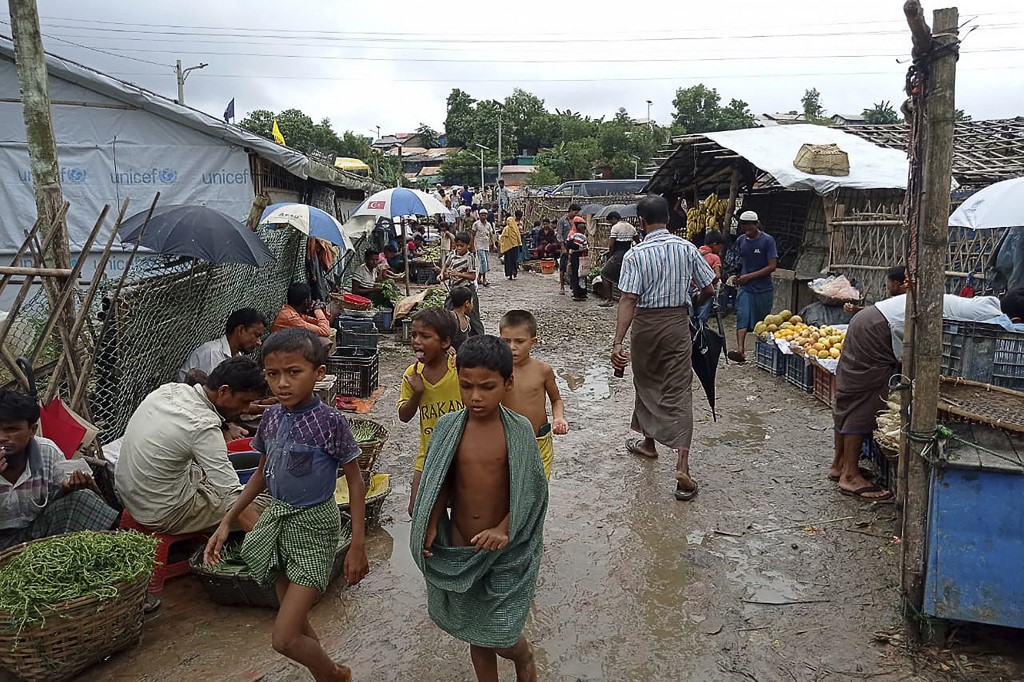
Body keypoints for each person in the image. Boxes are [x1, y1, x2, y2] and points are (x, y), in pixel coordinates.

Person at [204, 329, 368, 682]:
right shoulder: (273, 417)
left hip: (314, 525)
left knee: (283, 638)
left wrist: (357, 544)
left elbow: (355, 481)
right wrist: (227, 519)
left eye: (294, 372)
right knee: (297, 624)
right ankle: (326, 674)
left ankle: (336, 675)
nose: (282, 383)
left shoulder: (331, 422)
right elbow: (262, 474)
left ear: (318, 374)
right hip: (278, 521)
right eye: (272, 374)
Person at [410, 335, 548, 682]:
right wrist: (431, 521)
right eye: (467, 385)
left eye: (487, 387)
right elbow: (441, 480)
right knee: (475, 630)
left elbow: (531, 492)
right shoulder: (448, 428)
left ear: (508, 382)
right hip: (461, 545)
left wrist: (504, 528)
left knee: (501, 635)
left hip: (504, 550)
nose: (475, 397)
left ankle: (524, 655)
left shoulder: (518, 432)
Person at [832, 292, 1005, 500]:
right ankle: (849, 475)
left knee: (851, 393)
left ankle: (840, 464)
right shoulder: (987, 313)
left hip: (868, 321)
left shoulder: (965, 304)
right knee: (864, 398)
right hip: (877, 330)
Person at [611, 195, 715, 501]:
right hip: (676, 326)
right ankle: (682, 465)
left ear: (641, 223)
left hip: (645, 328)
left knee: (646, 384)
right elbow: (709, 287)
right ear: (669, 219)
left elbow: (628, 299)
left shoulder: (635, 255)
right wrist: (691, 304)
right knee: (679, 390)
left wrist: (618, 341)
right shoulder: (688, 249)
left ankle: (649, 444)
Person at [117, 357, 271, 534]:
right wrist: (262, 544)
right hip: (164, 513)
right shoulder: (203, 426)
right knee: (267, 506)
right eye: (244, 402)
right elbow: (232, 498)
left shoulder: (170, 391)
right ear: (223, 391)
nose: (245, 409)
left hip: (133, 496)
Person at [0, 390, 119, 551]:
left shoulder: (48, 452)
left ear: (32, 430)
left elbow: (56, 498)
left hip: (34, 534)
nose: (2, 437)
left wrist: (67, 488)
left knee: (82, 498)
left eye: (12, 429)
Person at [398, 309, 463, 516]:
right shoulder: (412, 374)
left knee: (462, 509)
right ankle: (433, 546)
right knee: (416, 510)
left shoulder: (458, 369)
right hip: (428, 454)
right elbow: (404, 415)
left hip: (462, 454)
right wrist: (417, 393)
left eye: (425, 336)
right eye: (414, 335)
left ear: (445, 342)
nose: (417, 341)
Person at [499, 310, 568, 478]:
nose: (512, 347)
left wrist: (558, 418)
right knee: (510, 484)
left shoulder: (543, 370)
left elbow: (556, 399)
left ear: (533, 342)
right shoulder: (498, 370)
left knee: (538, 484)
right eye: (506, 341)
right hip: (506, 440)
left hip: (539, 440)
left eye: (519, 341)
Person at [728, 211, 778, 363]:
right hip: (745, 288)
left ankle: (761, 352)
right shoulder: (741, 240)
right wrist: (735, 276)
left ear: (757, 224)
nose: (747, 231)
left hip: (763, 288)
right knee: (742, 316)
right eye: (744, 228)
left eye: (750, 228)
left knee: (762, 322)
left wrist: (749, 276)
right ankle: (740, 351)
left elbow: (772, 266)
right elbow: (738, 261)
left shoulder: (767, 241)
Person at [178, 308, 266, 382]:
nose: (259, 342)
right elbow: (215, 397)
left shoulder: (236, 356)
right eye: (256, 335)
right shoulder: (212, 354)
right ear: (240, 330)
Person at [440, 233, 485, 336]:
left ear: (468, 245)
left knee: (473, 317)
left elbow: (472, 276)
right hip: (454, 290)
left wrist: (458, 274)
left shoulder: (470, 257)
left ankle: (480, 338)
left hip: (467, 290)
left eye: (461, 246)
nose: (459, 248)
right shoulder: (452, 254)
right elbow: (446, 265)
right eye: (457, 245)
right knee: (448, 312)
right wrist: (442, 274)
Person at [598, 211, 638, 307]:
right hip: (628, 254)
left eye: (610, 221)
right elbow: (638, 241)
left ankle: (609, 299)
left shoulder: (615, 228)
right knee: (623, 277)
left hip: (618, 255)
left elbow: (611, 245)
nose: (610, 224)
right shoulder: (631, 227)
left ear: (614, 219)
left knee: (605, 274)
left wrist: (610, 255)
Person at [694, 231, 725, 323]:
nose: (720, 249)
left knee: (692, 319)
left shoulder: (694, 253)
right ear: (714, 244)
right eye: (720, 246)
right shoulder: (714, 257)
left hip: (691, 290)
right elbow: (717, 275)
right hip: (705, 291)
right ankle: (701, 335)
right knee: (702, 320)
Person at [556, 204, 581, 295]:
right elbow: (559, 234)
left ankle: (574, 286)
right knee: (563, 266)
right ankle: (562, 286)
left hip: (575, 245)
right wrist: (562, 247)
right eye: (575, 212)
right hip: (565, 244)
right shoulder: (562, 221)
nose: (576, 214)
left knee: (574, 266)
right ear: (570, 210)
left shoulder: (577, 221)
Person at [566, 216, 590, 301]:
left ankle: (577, 292)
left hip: (575, 256)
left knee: (576, 274)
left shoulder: (573, 235)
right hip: (581, 257)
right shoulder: (581, 236)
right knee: (581, 274)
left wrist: (573, 250)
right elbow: (585, 247)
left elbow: (569, 245)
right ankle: (581, 292)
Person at [449, 286, 477, 352]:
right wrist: (448, 347)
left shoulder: (467, 319)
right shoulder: (451, 318)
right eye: (472, 302)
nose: (473, 305)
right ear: (467, 303)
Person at [472, 209, 495, 287]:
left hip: (486, 245)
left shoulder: (488, 224)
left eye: (485, 215)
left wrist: (493, 244)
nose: (483, 216)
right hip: (479, 245)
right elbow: (473, 235)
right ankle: (484, 279)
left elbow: (491, 235)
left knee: (485, 262)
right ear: (479, 215)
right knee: (483, 262)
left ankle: (479, 278)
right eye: (482, 215)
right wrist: (472, 246)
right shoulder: (476, 224)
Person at [500, 209, 523, 280]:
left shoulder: (513, 228)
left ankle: (513, 273)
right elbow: (503, 238)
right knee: (509, 261)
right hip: (510, 247)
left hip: (513, 247)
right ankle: (510, 274)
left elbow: (502, 238)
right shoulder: (507, 229)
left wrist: (519, 244)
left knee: (513, 260)